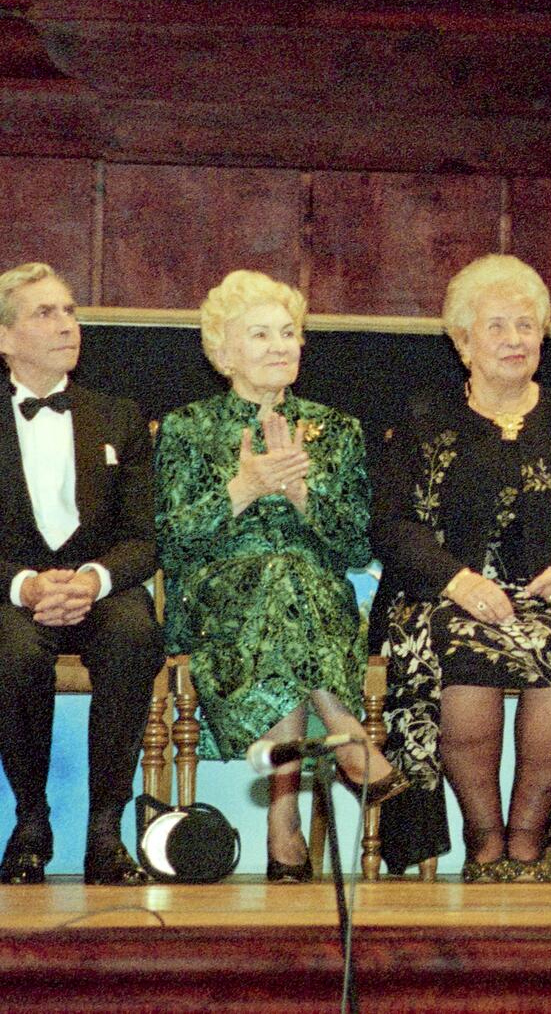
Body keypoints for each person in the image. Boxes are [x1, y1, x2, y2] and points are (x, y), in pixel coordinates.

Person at [370, 254, 551, 879]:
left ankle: (527, 843)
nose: (513, 339)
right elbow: (391, 525)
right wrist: (457, 580)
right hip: (445, 597)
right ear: (463, 341)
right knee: (459, 648)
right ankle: (483, 843)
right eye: (495, 326)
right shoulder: (423, 418)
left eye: (526, 325)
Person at [155, 270, 400, 881]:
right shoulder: (186, 427)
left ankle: (282, 818)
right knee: (278, 577)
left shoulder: (336, 429)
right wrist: (243, 488)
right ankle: (344, 732)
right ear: (223, 352)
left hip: (318, 600)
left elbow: (356, 544)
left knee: (288, 579)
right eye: (260, 334)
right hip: (216, 601)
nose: (280, 346)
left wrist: (300, 495)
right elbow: (172, 540)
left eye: (288, 333)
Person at [0, 263, 162, 885]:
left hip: (102, 588)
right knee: (13, 650)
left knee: (134, 634)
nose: (68, 324)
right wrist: (26, 586)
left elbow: (145, 537)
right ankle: (30, 821)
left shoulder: (119, 416)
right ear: (6, 337)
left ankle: (105, 830)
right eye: (46, 313)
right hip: (14, 594)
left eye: (69, 311)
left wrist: (93, 580)